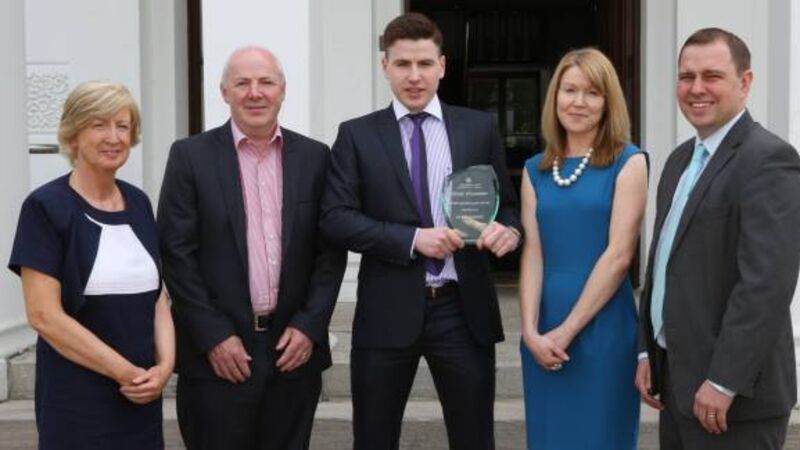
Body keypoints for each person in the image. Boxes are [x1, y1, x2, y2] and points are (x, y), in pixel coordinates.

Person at [320, 12, 522, 450]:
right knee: (374, 439)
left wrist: (509, 231)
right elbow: (335, 217)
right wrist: (413, 239)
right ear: (385, 67)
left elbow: (506, 204)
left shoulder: (478, 127)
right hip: (386, 310)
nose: (414, 76)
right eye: (403, 64)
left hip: (462, 310)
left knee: (474, 439)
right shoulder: (357, 135)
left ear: (442, 66)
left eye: (425, 64)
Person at [157, 46, 346, 450]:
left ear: (283, 90)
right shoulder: (189, 157)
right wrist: (213, 336)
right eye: (242, 83)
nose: (255, 92)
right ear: (224, 91)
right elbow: (176, 254)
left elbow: (330, 253)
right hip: (218, 357)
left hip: (292, 352)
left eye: (266, 82)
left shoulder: (315, 157)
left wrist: (309, 326)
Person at [636, 27, 800, 449]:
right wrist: (647, 351)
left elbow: (766, 284)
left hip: (733, 401)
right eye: (686, 77)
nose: (696, 88)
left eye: (711, 76)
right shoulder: (679, 161)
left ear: (745, 83)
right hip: (677, 385)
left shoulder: (769, 159)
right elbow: (664, 263)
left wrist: (724, 380)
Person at [7, 81, 174, 449]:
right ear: (73, 135)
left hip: (141, 398)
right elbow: (44, 316)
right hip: (78, 403)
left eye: (122, 125)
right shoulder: (45, 207)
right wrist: (125, 373)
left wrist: (164, 368)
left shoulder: (139, 202)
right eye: (99, 125)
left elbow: (158, 297)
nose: (113, 137)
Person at [518, 48, 647, 449]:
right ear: (554, 96)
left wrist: (568, 330)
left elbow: (619, 256)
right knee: (550, 436)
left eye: (592, 92)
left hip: (603, 323)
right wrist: (529, 331)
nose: (578, 102)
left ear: (608, 102)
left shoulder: (629, 161)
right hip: (544, 325)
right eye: (569, 90)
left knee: (600, 436)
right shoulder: (535, 168)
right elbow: (533, 253)